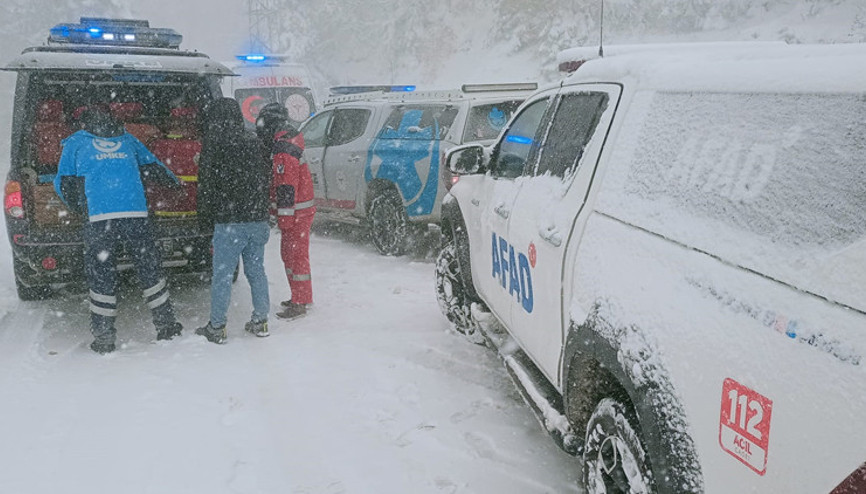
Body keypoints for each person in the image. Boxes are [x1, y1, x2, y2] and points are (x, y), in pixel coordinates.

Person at [54, 105, 183, 354]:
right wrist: (175, 185)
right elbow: (155, 167)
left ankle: (104, 337)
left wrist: (80, 208)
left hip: (100, 218)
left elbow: (63, 182)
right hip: (136, 214)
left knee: (101, 275)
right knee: (149, 269)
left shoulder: (75, 143)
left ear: (84, 123)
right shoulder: (127, 139)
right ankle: (166, 325)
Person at [195, 98, 272, 343]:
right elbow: (265, 178)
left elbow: (206, 185)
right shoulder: (254, 141)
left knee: (223, 275)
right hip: (257, 218)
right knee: (256, 271)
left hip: (229, 220)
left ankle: (217, 327)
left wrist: (204, 219)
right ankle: (261, 321)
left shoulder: (214, 143)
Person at [256, 103, 315, 320]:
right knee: (293, 255)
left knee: (295, 256)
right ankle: (301, 296)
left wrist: (284, 219)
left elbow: (286, 188)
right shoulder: (289, 140)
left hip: (296, 213)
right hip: (300, 210)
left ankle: (300, 302)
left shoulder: (283, 149)